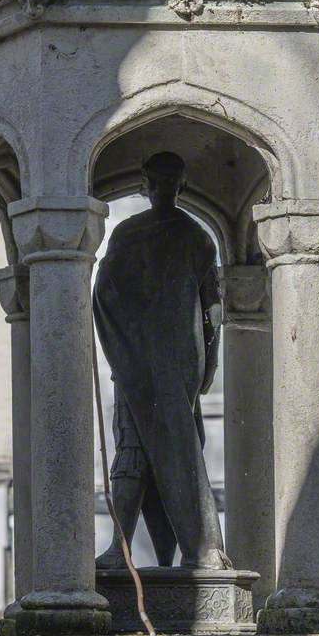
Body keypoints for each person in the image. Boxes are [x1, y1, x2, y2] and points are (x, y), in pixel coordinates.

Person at [94, 151, 230, 570]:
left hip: (143, 362)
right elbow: (213, 313)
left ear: (146, 186)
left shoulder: (133, 234)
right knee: (163, 449)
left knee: (138, 450)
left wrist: (123, 349)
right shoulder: (197, 236)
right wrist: (205, 369)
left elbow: (104, 295)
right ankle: (162, 550)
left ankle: (158, 550)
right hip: (170, 364)